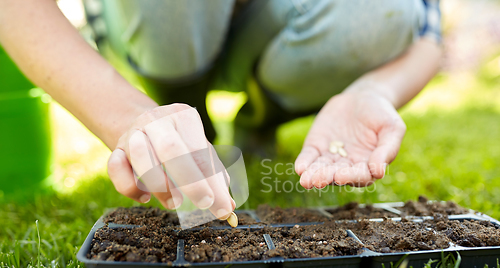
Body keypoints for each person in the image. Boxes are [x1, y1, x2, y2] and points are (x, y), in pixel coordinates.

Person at [0, 0, 441, 220]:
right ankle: (182, 112)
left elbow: (424, 24)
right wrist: (126, 114)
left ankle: (258, 122)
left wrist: (374, 90)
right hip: (156, 25)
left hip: (278, 25)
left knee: (381, 10)